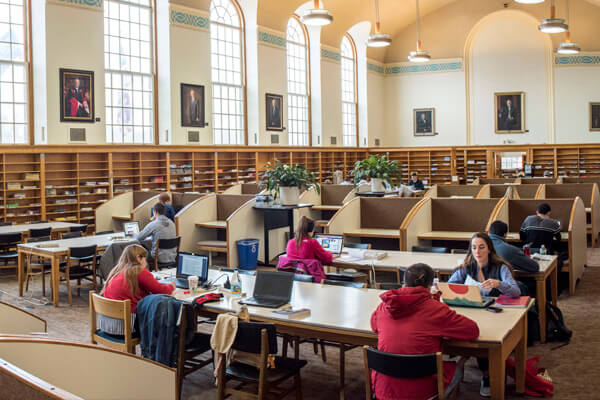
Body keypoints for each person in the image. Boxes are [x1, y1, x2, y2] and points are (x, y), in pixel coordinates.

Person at [370, 263, 479, 400]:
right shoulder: (436, 310)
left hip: (384, 390)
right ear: (430, 285)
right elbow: (472, 330)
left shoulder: (385, 306)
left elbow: (374, 326)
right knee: (457, 367)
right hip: (422, 392)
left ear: (404, 283)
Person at [448, 232, 520, 397]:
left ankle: (487, 375)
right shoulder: (465, 267)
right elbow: (450, 285)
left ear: (489, 249)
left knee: (485, 336)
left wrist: (499, 284)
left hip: (493, 314)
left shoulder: (500, 267)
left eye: (481, 247)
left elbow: (516, 291)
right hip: (469, 311)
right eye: (474, 248)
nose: (477, 252)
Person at [100, 244, 175, 333]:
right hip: (126, 327)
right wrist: (172, 285)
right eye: (144, 258)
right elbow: (162, 290)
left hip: (107, 324)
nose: (145, 261)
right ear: (139, 258)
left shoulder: (116, 271)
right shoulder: (139, 271)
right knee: (166, 311)